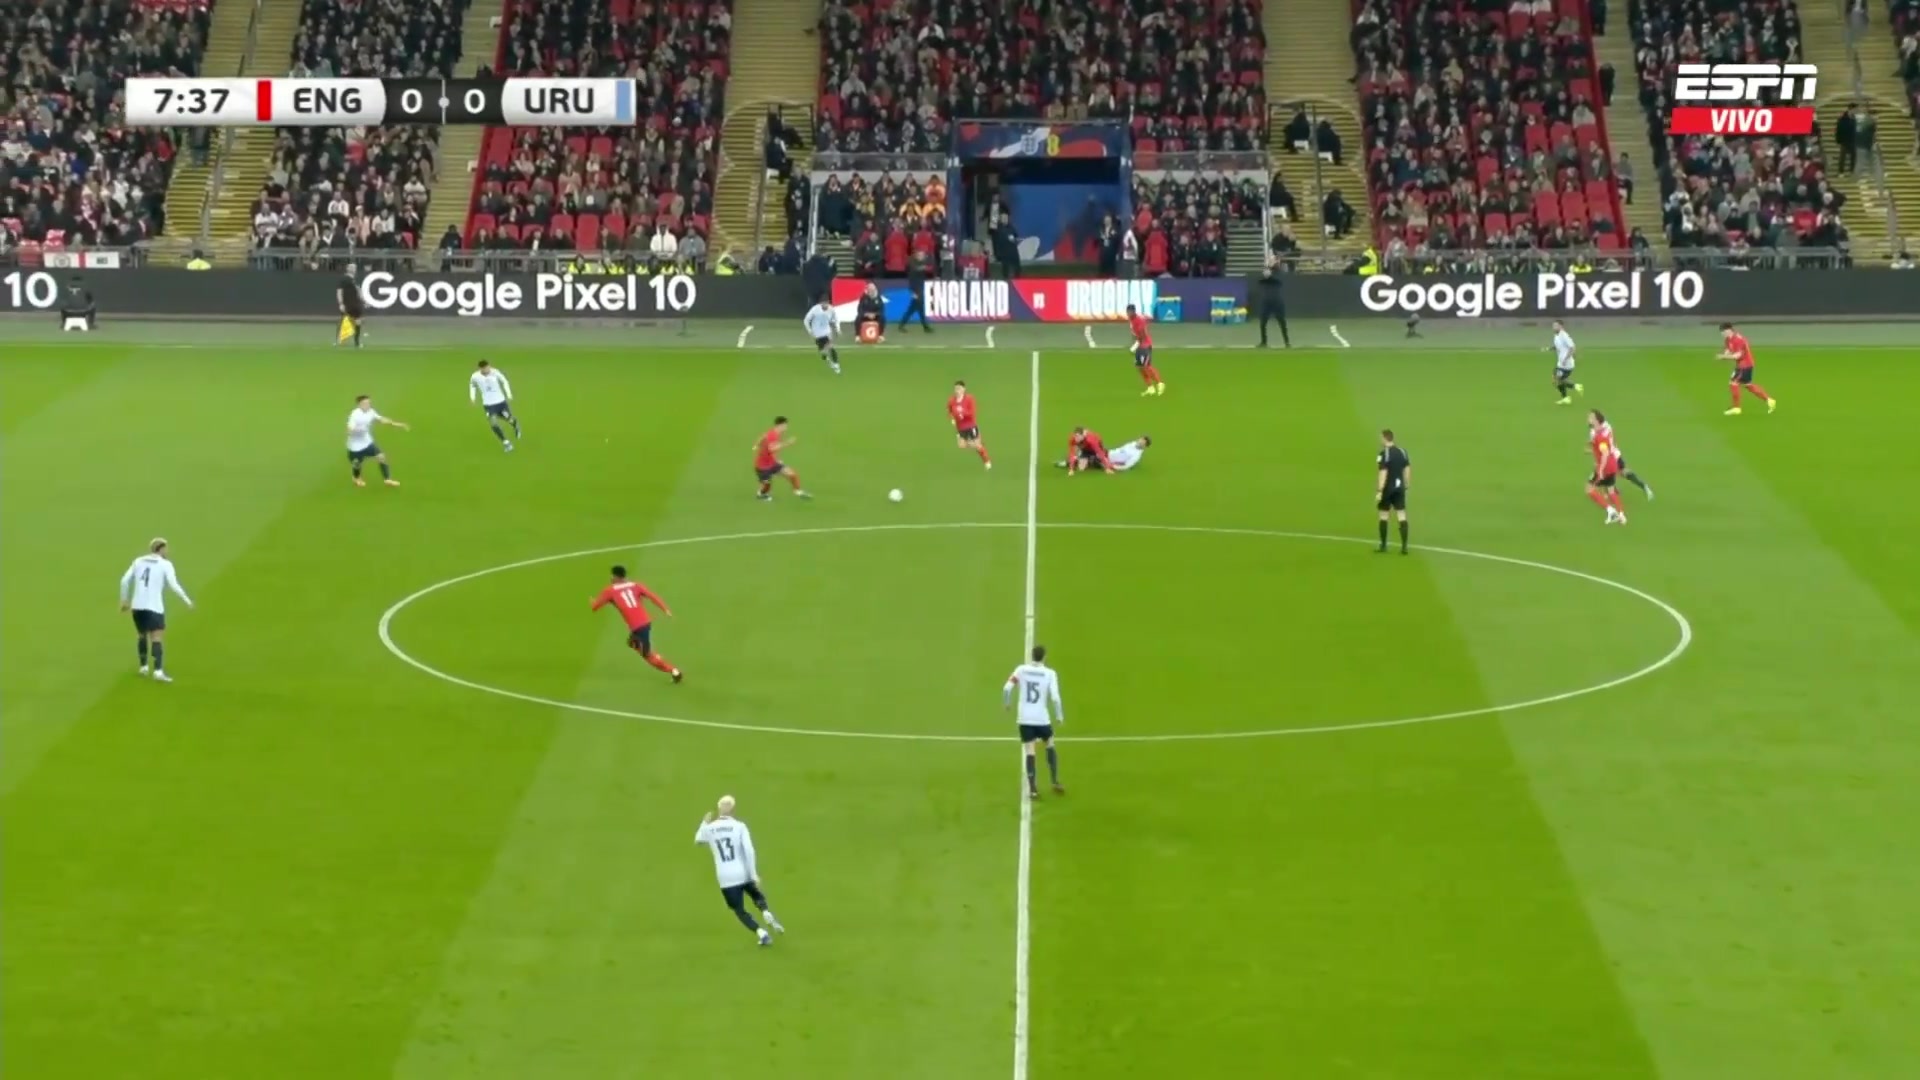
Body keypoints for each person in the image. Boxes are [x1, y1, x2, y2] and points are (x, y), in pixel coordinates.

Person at [695, 795, 784, 946]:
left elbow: (698, 840)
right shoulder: (739, 826)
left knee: (739, 910)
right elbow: (749, 850)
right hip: (742, 871)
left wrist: (704, 822)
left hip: (725, 878)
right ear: (733, 810)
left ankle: (762, 934)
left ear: (719, 809)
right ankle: (765, 911)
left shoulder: (710, 828)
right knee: (755, 894)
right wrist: (753, 874)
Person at [120, 537, 193, 682]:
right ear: (161, 549)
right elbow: (174, 585)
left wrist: (124, 600)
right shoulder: (165, 564)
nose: (168, 550)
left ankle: (143, 667)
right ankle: (158, 671)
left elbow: (124, 581)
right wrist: (187, 600)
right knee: (156, 638)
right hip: (154, 606)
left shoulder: (138, 561)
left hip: (137, 606)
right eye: (166, 548)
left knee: (141, 635)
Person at [591, 564, 682, 680]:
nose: (611, 578)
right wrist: (665, 609)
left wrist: (592, 601)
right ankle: (655, 656)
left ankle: (674, 671)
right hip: (644, 623)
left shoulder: (609, 591)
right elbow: (652, 596)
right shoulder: (636, 585)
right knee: (632, 643)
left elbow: (595, 607)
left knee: (648, 656)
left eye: (612, 576)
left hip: (639, 627)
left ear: (616, 577)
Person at [1004, 645, 1065, 799]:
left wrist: (1007, 703)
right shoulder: (1050, 673)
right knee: (1050, 744)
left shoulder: (1021, 670)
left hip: (1025, 719)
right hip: (1042, 719)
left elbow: (1007, 688)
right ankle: (1055, 781)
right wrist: (1059, 716)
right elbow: (1055, 698)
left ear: (1032, 656)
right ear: (1044, 657)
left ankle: (1033, 789)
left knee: (1030, 751)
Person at [345, 395, 407, 487]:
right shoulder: (355, 415)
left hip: (367, 443)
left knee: (381, 457)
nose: (368, 404)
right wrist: (353, 431)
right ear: (359, 404)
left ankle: (387, 479)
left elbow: (381, 419)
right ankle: (356, 478)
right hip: (355, 447)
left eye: (369, 403)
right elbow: (349, 428)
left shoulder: (371, 411)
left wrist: (396, 424)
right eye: (365, 403)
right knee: (357, 464)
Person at [1590, 410, 1653, 499]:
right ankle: (1642, 486)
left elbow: (1600, 444)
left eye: (1591, 417)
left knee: (1602, 475)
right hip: (1614, 453)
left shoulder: (1596, 432)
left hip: (1609, 456)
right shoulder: (1606, 426)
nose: (1589, 419)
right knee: (1621, 472)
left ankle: (1610, 493)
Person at [1718, 323, 1776, 415]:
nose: (1722, 334)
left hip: (1745, 365)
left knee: (1733, 383)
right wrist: (1724, 355)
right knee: (1748, 385)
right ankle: (1769, 400)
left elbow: (1738, 355)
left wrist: (1724, 357)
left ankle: (1736, 408)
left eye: (1723, 332)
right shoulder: (1728, 339)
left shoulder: (1739, 340)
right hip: (1743, 365)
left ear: (1729, 330)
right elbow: (1728, 350)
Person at [1585, 413, 1629, 525]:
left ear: (1596, 421)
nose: (1588, 419)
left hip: (1605, 467)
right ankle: (1621, 515)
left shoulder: (1600, 436)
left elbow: (1604, 453)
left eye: (1590, 417)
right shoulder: (1603, 431)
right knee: (1611, 490)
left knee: (1589, 489)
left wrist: (1600, 470)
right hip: (1612, 464)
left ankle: (1611, 512)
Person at [469, 359, 521, 452]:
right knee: (493, 423)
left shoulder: (495, 372)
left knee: (509, 419)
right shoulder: (475, 376)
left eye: (488, 367)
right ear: (480, 368)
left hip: (501, 402)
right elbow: (472, 386)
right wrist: (472, 398)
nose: (487, 369)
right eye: (484, 368)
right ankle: (506, 443)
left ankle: (515, 424)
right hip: (488, 405)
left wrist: (509, 394)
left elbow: (504, 381)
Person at [754, 416, 810, 500]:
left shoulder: (773, 432)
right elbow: (772, 448)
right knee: (767, 486)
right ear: (780, 425)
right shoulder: (773, 435)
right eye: (785, 425)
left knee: (792, 474)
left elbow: (763, 437)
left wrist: (756, 445)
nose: (786, 428)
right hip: (763, 466)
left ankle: (798, 491)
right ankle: (761, 494)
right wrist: (787, 443)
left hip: (772, 463)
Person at [1376, 429, 1411, 554]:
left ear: (1384, 438)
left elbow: (1383, 472)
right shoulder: (1402, 452)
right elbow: (1407, 468)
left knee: (1384, 515)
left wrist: (1380, 490)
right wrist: (1406, 484)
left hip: (1387, 488)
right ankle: (1404, 547)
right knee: (1401, 514)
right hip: (1400, 488)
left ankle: (1383, 545)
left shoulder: (1384, 454)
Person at [948, 380, 991, 468]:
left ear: (964, 389)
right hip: (960, 428)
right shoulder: (952, 400)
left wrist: (962, 413)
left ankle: (986, 460)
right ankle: (979, 444)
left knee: (978, 447)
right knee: (961, 445)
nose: (957, 391)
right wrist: (952, 418)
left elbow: (972, 412)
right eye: (956, 389)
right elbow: (949, 411)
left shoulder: (969, 399)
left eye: (959, 388)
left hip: (970, 426)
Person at [1125, 304, 1165, 396]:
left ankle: (1160, 383)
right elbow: (1134, 334)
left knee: (1146, 366)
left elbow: (1143, 335)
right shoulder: (1131, 320)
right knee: (1139, 367)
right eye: (1128, 312)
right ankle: (1150, 388)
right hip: (1139, 345)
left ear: (1134, 311)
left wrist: (1135, 345)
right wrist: (1135, 343)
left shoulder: (1139, 321)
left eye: (1130, 312)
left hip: (1145, 345)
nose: (1129, 313)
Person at [1548, 319, 1584, 405]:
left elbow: (1572, 347)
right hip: (1561, 363)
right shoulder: (1556, 336)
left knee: (1557, 379)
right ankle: (1566, 398)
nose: (1554, 327)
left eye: (1556, 326)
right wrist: (1551, 348)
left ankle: (1576, 387)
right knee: (1559, 380)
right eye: (1553, 326)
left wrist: (1566, 359)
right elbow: (1559, 346)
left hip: (1566, 364)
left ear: (1561, 326)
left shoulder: (1564, 336)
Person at [1256, 257, 1289, 347]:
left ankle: (1287, 342)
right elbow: (1260, 281)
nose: (1275, 262)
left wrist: (1269, 275)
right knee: (1263, 323)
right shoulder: (1266, 271)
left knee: (1282, 322)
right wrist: (1266, 273)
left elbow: (1278, 280)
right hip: (1266, 301)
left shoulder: (1280, 272)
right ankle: (1264, 342)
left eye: (1275, 261)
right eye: (1273, 260)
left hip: (1277, 301)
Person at [802, 300, 842, 374]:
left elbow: (836, 320)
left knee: (831, 346)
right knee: (823, 352)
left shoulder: (831, 309)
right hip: (817, 333)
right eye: (824, 303)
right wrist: (810, 331)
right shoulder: (815, 309)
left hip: (827, 332)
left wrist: (838, 329)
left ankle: (836, 364)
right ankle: (826, 358)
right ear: (821, 303)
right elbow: (806, 320)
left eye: (827, 303)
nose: (825, 305)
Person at [335, 263, 365, 348]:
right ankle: (339, 340)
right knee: (343, 321)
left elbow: (359, 291)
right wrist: (341, 303)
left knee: (358, 322)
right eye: (351, 267)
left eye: (354, 267)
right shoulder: (344, 279)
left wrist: (364, 301)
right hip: (347, 304)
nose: (353, 269)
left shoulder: (355, 280)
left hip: (356, 304)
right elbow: (339, 292)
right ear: (347, 268)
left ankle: (357, 342)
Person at [901, 253, 932, 332]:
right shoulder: (913, 266)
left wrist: (925, 267)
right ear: (917, 257)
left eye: (923, 256)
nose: (922, 257)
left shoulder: (920, 265)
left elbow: (928, 268)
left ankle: (925, 327)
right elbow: (911, 280)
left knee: (914, 309)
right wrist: (912, 292)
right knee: (916, 309)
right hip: (916, 290)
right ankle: (925, 327)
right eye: (920, 256)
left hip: (920, 289)